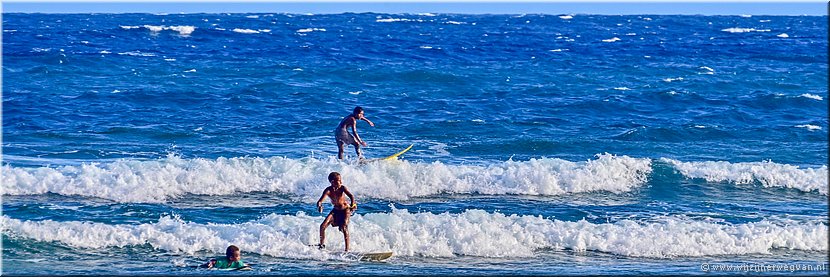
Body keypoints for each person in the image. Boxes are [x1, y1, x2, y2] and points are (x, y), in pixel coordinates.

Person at [315, 172, 357, 252]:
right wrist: (320, 206)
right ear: (332, 182)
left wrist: (353, 205)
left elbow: (351, 196)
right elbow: (320, 201)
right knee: (322, 226)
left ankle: (347, 249)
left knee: (344, 227)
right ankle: (321, 245)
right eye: (339, 180)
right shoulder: (328, 190)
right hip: (335, 211)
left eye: (341, 180)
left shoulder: (342, 188)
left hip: (345, 210)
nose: (341, 182)